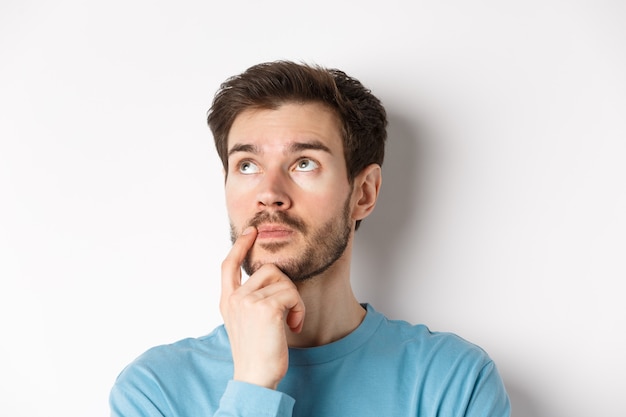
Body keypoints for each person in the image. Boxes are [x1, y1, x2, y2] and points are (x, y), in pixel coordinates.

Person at [109, 61, 511, 417]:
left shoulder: (453, 382)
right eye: (247, 165)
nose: (270, 192)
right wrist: (252, 385)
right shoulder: (154, 391)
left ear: (364, 193)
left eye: (304, 163)